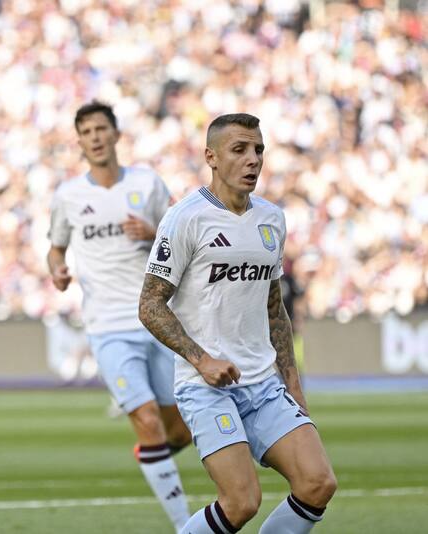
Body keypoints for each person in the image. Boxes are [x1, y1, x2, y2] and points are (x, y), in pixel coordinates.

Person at [138, 113, 337, 534]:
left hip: (264, 383)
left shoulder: (271, 220)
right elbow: (150, 305)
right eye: (240, 149)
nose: (253, 160)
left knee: (318, 483)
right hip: (206, 386)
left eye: (258, 150)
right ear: (211, 157)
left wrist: (292, 381)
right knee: (241, 502)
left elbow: (272, 307)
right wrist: (202, 359)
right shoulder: (186, 218)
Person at [47, 101, 192, 532]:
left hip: (159, 320)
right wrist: (56, 268)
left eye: (101, 128)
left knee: (178, 433)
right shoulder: (69, 196)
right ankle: (186, 525)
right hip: (108, 327)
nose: (94, 137)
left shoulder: (147, 184)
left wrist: (152, 233)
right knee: (147, 422)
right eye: (86, 131)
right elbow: (55, 246)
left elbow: (182, 239)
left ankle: (153, 455)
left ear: (115, 134)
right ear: (79, 142)